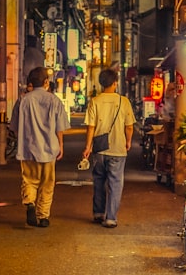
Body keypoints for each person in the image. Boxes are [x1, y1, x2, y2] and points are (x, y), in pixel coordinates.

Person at [10, 67, 70, 228]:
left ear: (30, 82)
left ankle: (29, 202)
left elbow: (14, 127)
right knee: (47, 183)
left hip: (27, 149)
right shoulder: (54, 101)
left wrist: (21, 140)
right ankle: (43, 216)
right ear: (45, 82)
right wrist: (61, 146)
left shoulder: (22, 100)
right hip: (50, 149)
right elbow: (60, 128)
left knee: (29, 180)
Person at [82, 68, 135, 228]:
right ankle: (111, 217)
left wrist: (88, 147)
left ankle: (98, 213)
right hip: (118, 148)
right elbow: (129, 126)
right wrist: (128, 141)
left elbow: (90, 127)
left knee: (98, 180)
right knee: (115, 183)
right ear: (115, 83)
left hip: (99, 149)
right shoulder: (123, 102)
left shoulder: (95, 101)